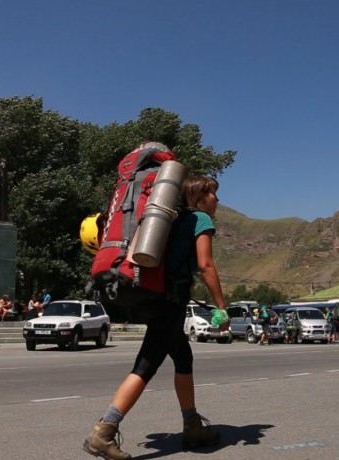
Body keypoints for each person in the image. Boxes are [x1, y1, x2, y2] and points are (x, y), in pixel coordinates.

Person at [83, 176, 229, 460]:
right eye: (213, 194)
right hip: (169, 304)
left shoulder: (172, 219)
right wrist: (221, 307)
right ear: (200, 197)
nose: (217, 200)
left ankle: (192, 426)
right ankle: (104, 431)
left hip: (150, 299)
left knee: (183, 358)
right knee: (146, 366)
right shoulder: (200, 219)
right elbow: (206, 264)